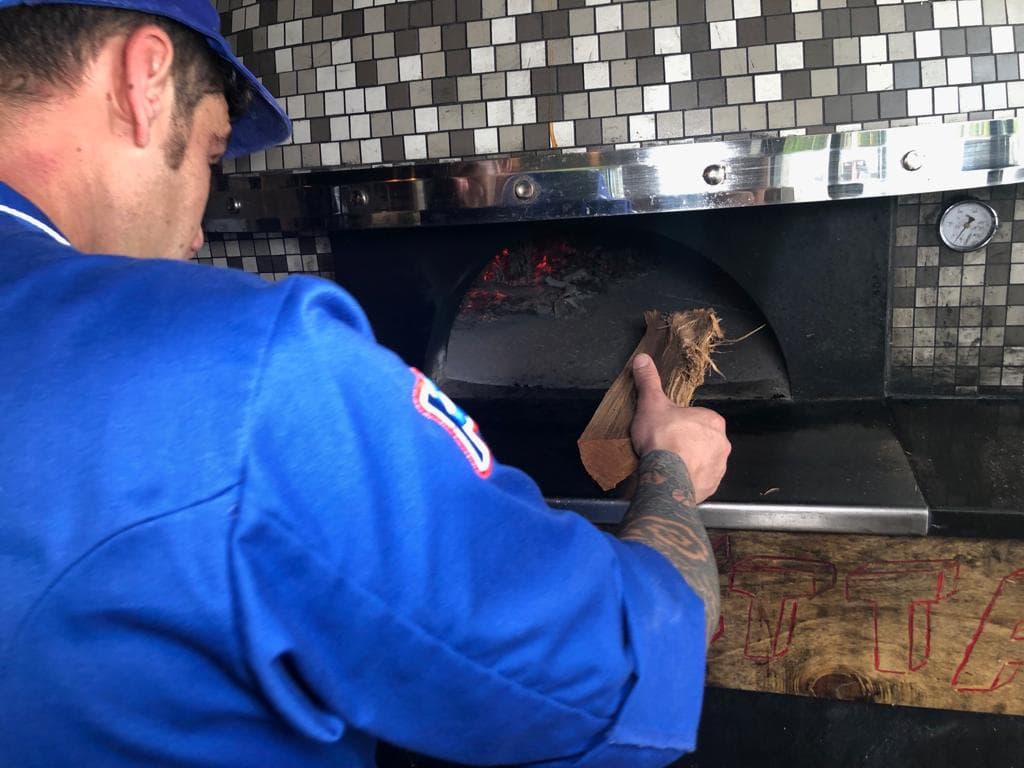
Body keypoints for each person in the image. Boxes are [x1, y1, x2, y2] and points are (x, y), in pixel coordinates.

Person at [0, 1, 732, 766]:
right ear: (144, 79)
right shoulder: (242, 368)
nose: (198, 233)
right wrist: (670, 466)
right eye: (214, 155)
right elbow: (616, 662)